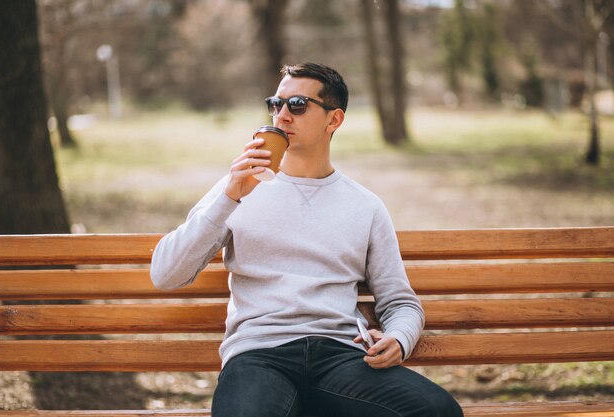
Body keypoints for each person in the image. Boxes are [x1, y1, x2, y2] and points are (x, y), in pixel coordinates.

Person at [150, 62, 463, 417]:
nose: (281, 116)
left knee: (437, 411)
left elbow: (400, 302)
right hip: (259, 356)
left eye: (297, 105)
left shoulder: (365, 206)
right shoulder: (236, 188)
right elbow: (165, 273)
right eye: (275, 104)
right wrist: (229, 196)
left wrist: (399, 339)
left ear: (334, 120)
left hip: (341, 358)